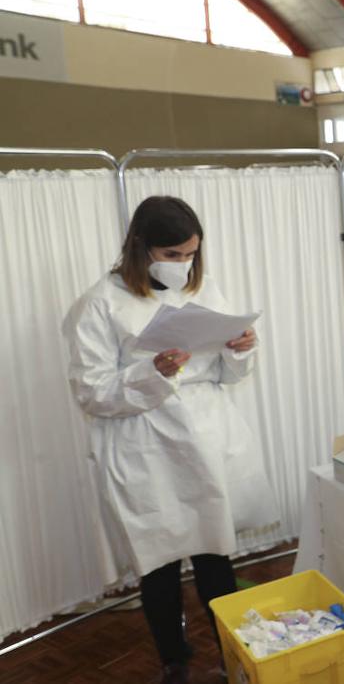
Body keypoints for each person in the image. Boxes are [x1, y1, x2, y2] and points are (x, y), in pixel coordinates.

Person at [63, 196, 278, 684]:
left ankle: (231, 653)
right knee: (157, 561)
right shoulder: (100, 303)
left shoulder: (205, 289)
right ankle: (173, 661)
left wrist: (242, 348)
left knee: (214, 554)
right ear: (141, 248)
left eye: (190, 255)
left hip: (204, 436)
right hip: (144, 444)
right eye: (173, 255)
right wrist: (150, 373)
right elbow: (90, 391)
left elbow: (228, 373)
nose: (184, 266)